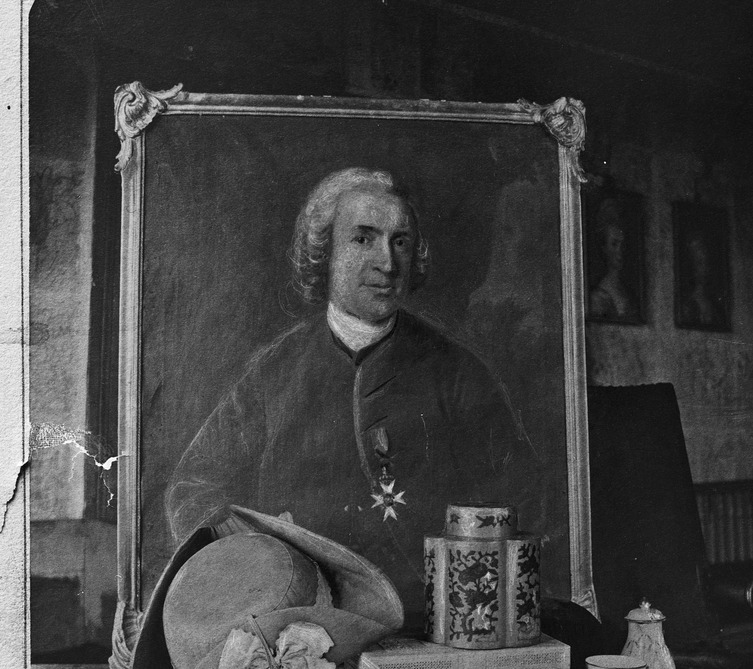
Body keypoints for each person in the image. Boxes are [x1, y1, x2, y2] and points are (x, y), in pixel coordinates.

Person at [165, 167, 535, 623]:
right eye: (363, 239)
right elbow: (193, 489)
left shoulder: (459, 373)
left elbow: (522, 497)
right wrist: (252, 551)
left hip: (430, 622)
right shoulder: (274, 374)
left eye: (400, 242)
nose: (387, 263)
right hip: (305, 619)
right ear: (324, 252)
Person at [588, 198, 638, 322]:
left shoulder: (627, 291)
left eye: (623, 244)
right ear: (604, 248)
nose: (620, 251)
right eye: (614, 244)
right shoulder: (599, 297)